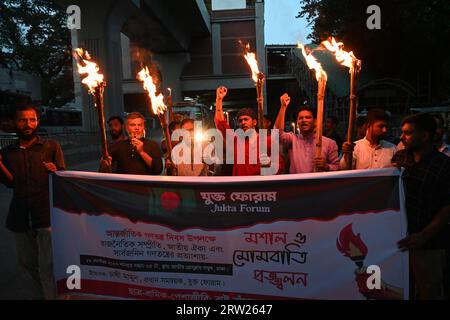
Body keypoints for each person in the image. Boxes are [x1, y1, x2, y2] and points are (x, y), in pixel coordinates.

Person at [0, 105, 65, 299]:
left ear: (37, 121)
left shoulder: (51, 146)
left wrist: (56, 171)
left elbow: (63, 178)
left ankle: (52, 295)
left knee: (48, 264)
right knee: (27, 263)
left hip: (46, 215)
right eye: (23, 120)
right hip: (19, 217)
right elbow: (10, 183)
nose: (28, 124)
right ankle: (48, 293)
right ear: (14, 122)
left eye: (32, 119)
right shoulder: (8, 152)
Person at [392, 113, 450, 300]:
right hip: (398, 242)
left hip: (429, 245)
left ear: (425, 136)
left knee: (429, 292)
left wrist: (423, 236)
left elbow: (447, 207)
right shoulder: (400, 158)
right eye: (402, 132)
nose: (402, 137)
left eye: (408, 133)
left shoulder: (443, 165)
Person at [214, 86, 283, 176]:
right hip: (241, 186)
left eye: (246, 119)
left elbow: (280, 166)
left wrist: (270, 164)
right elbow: (221, 124)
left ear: (254, 122)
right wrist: (219, 100)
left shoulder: (268, 141)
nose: (243, 122)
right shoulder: (235, 140)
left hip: (261, 186)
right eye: (240, 120)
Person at [274, 93, 339, 173]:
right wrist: (283, 107)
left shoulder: (329, 143)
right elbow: (276, 133)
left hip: (319, 184)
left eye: (308, 117)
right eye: (300, 118)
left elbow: (337, 167)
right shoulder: (292, 139)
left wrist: (326, 166)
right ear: (297, 122)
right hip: (298, 184)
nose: (304, 120)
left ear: (315, 121)